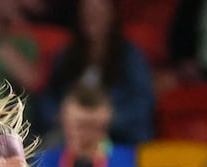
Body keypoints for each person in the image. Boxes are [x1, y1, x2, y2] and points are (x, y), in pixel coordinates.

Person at [37, 0, 155, 145]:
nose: (92, 17)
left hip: (118, 136)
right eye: (87, 12)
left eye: (98, 12)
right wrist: (61, 116)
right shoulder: (66, 55)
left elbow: (142, 104)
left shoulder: (130, 56)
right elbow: (48, 99)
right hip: (69, 136)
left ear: (112, 15)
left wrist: (104, 119)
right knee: (47, 147)